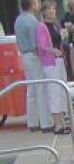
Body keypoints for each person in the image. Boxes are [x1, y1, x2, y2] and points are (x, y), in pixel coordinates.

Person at [15, 0, 52, 132]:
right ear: (32, 4)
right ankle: (46, 123)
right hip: (33, 55)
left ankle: (33, 121)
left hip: (24, 54)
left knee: (31, 88)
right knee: (41, 88)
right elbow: (36, 44)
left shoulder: (18, 19)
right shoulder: (32, 21)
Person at [36, 0, 69, 135]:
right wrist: (53, 50)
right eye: (49, 9)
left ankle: (63, 121)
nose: (52, 11)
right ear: (43, 11)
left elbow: (61, 40)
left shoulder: (56, 25)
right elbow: (42, 45)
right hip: (50, 62)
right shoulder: (41, 26)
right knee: (54, 91)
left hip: (60, 60)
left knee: (61, 90)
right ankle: (57, 124)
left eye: (54, 9)